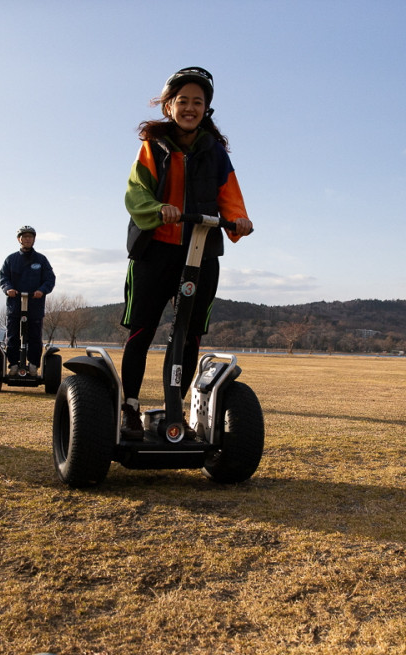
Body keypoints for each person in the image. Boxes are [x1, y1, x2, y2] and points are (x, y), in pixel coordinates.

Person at [120, 66, 254, 440]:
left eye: (198, 102)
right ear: (169, 107)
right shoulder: (152, 146)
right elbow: (135, 194)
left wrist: (239, 220)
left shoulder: (216, 152)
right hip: (154, 251)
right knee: (141, 331)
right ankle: (129, 407)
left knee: (189, 333)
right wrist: (157, 209)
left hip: (200, 253)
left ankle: (176, 411)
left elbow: (230, 198)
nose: (190, 107)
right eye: (183, 101)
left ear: (206, 109)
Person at [0, 226, 56, 375]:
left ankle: (33, 365)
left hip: (35, 305)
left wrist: (41, 290)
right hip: (15, 304)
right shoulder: (11, 259)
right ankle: (13, 365)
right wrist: (8, 289)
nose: (27, 239)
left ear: (34, 239)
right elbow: (4, 278)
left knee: (34, 337)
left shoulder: (41, 260)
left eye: (30, 236)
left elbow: (50, 279)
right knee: (12, 336)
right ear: (19, 239)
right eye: (24, 237)